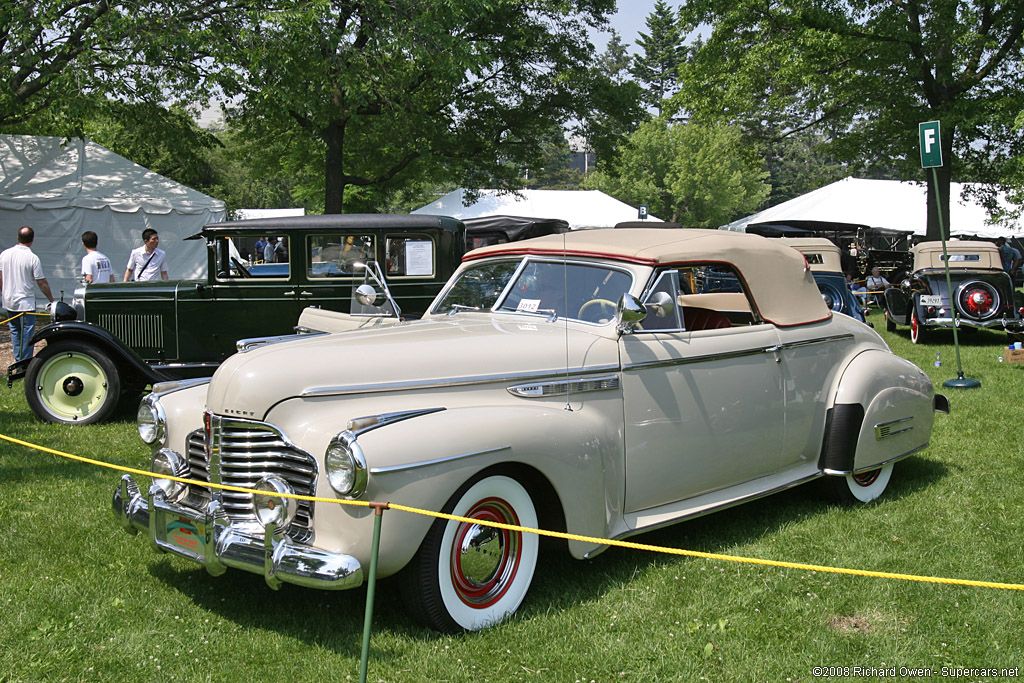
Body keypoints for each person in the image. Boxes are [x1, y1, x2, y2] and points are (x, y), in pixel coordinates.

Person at [0, 226, 55, 361]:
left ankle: (18, 359)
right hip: (25, 302)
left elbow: (0, 277)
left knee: (15, 331)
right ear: (32, 240)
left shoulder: (5, 254)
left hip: (9, 300)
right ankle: (24, 362)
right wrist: (51, 299)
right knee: (27, 333)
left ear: (18, 237)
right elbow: (41, 282)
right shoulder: (32, 258)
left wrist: (4, 292)